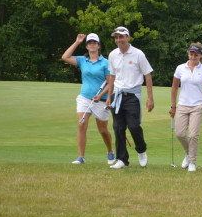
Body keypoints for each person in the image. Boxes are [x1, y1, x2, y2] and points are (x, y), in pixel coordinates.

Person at [61, 33, 115, 164]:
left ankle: (110, 151)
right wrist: (76, 42)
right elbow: (65, 57)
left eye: (94, 42)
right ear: (86, 46)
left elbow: (110, 83)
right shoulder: (82, 60)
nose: (92, 44)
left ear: (98, 46)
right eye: (89, 42)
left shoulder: (105, 63)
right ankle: (81, 157)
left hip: (100, 100)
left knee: (102, 130)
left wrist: (101, 95)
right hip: (84, 98)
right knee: (82, 125)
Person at [106, 26, 154, 169]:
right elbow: (112, 77)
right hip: (118, 95)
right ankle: (122, 159)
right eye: (116, 37)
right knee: (118, 128)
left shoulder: (138, 54)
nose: (119, 40)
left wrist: (150, 98)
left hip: (133, 95)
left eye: (121, 37)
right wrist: (109, 97)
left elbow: (147, 75)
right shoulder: (113, 55)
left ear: (128, 37)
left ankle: (141, 150)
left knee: (133, 126)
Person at [169, 43, 202, 172]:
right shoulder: (180, 68)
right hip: (182, 105)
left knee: (193, 135)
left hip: (197, 106)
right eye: (191, 54)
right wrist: (173, 106)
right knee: (180, 133)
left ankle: (192, 162)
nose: (193, 57)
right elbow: (174, 87)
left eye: (196, 54)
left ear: (200, 55)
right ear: (188, 54)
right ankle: (188, 154)